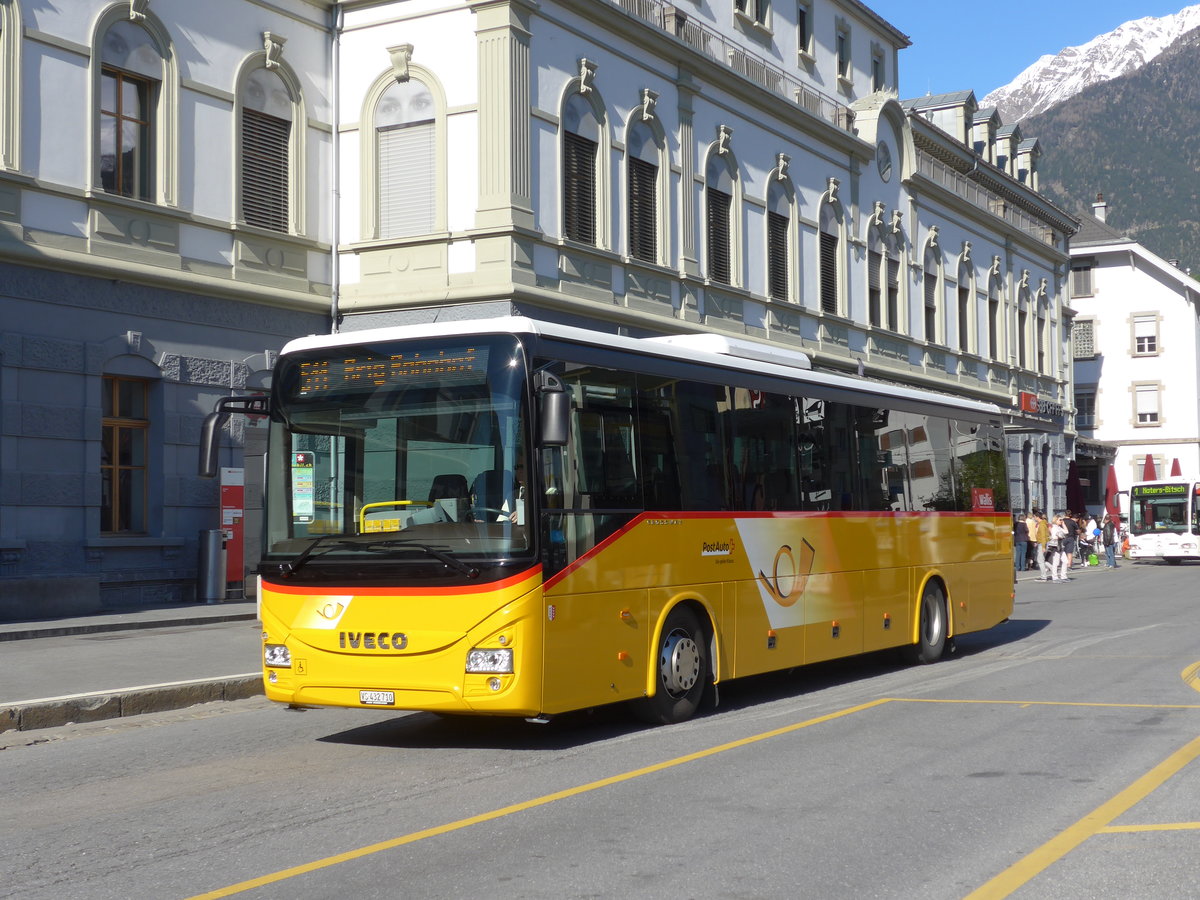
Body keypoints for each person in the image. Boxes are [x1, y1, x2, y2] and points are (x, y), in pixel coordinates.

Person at [1033, 512, 1053, 581]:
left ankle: (1043, 576)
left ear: (1037, 517)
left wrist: (1043, 546)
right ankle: (1053, 570)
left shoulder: (1041, 525)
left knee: (1040, 560)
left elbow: (1043, 536)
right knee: (1043, 560)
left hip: (1042, 544)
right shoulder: (1044, 523)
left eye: (1034, 517)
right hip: (1043, 543)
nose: (1034, 518)